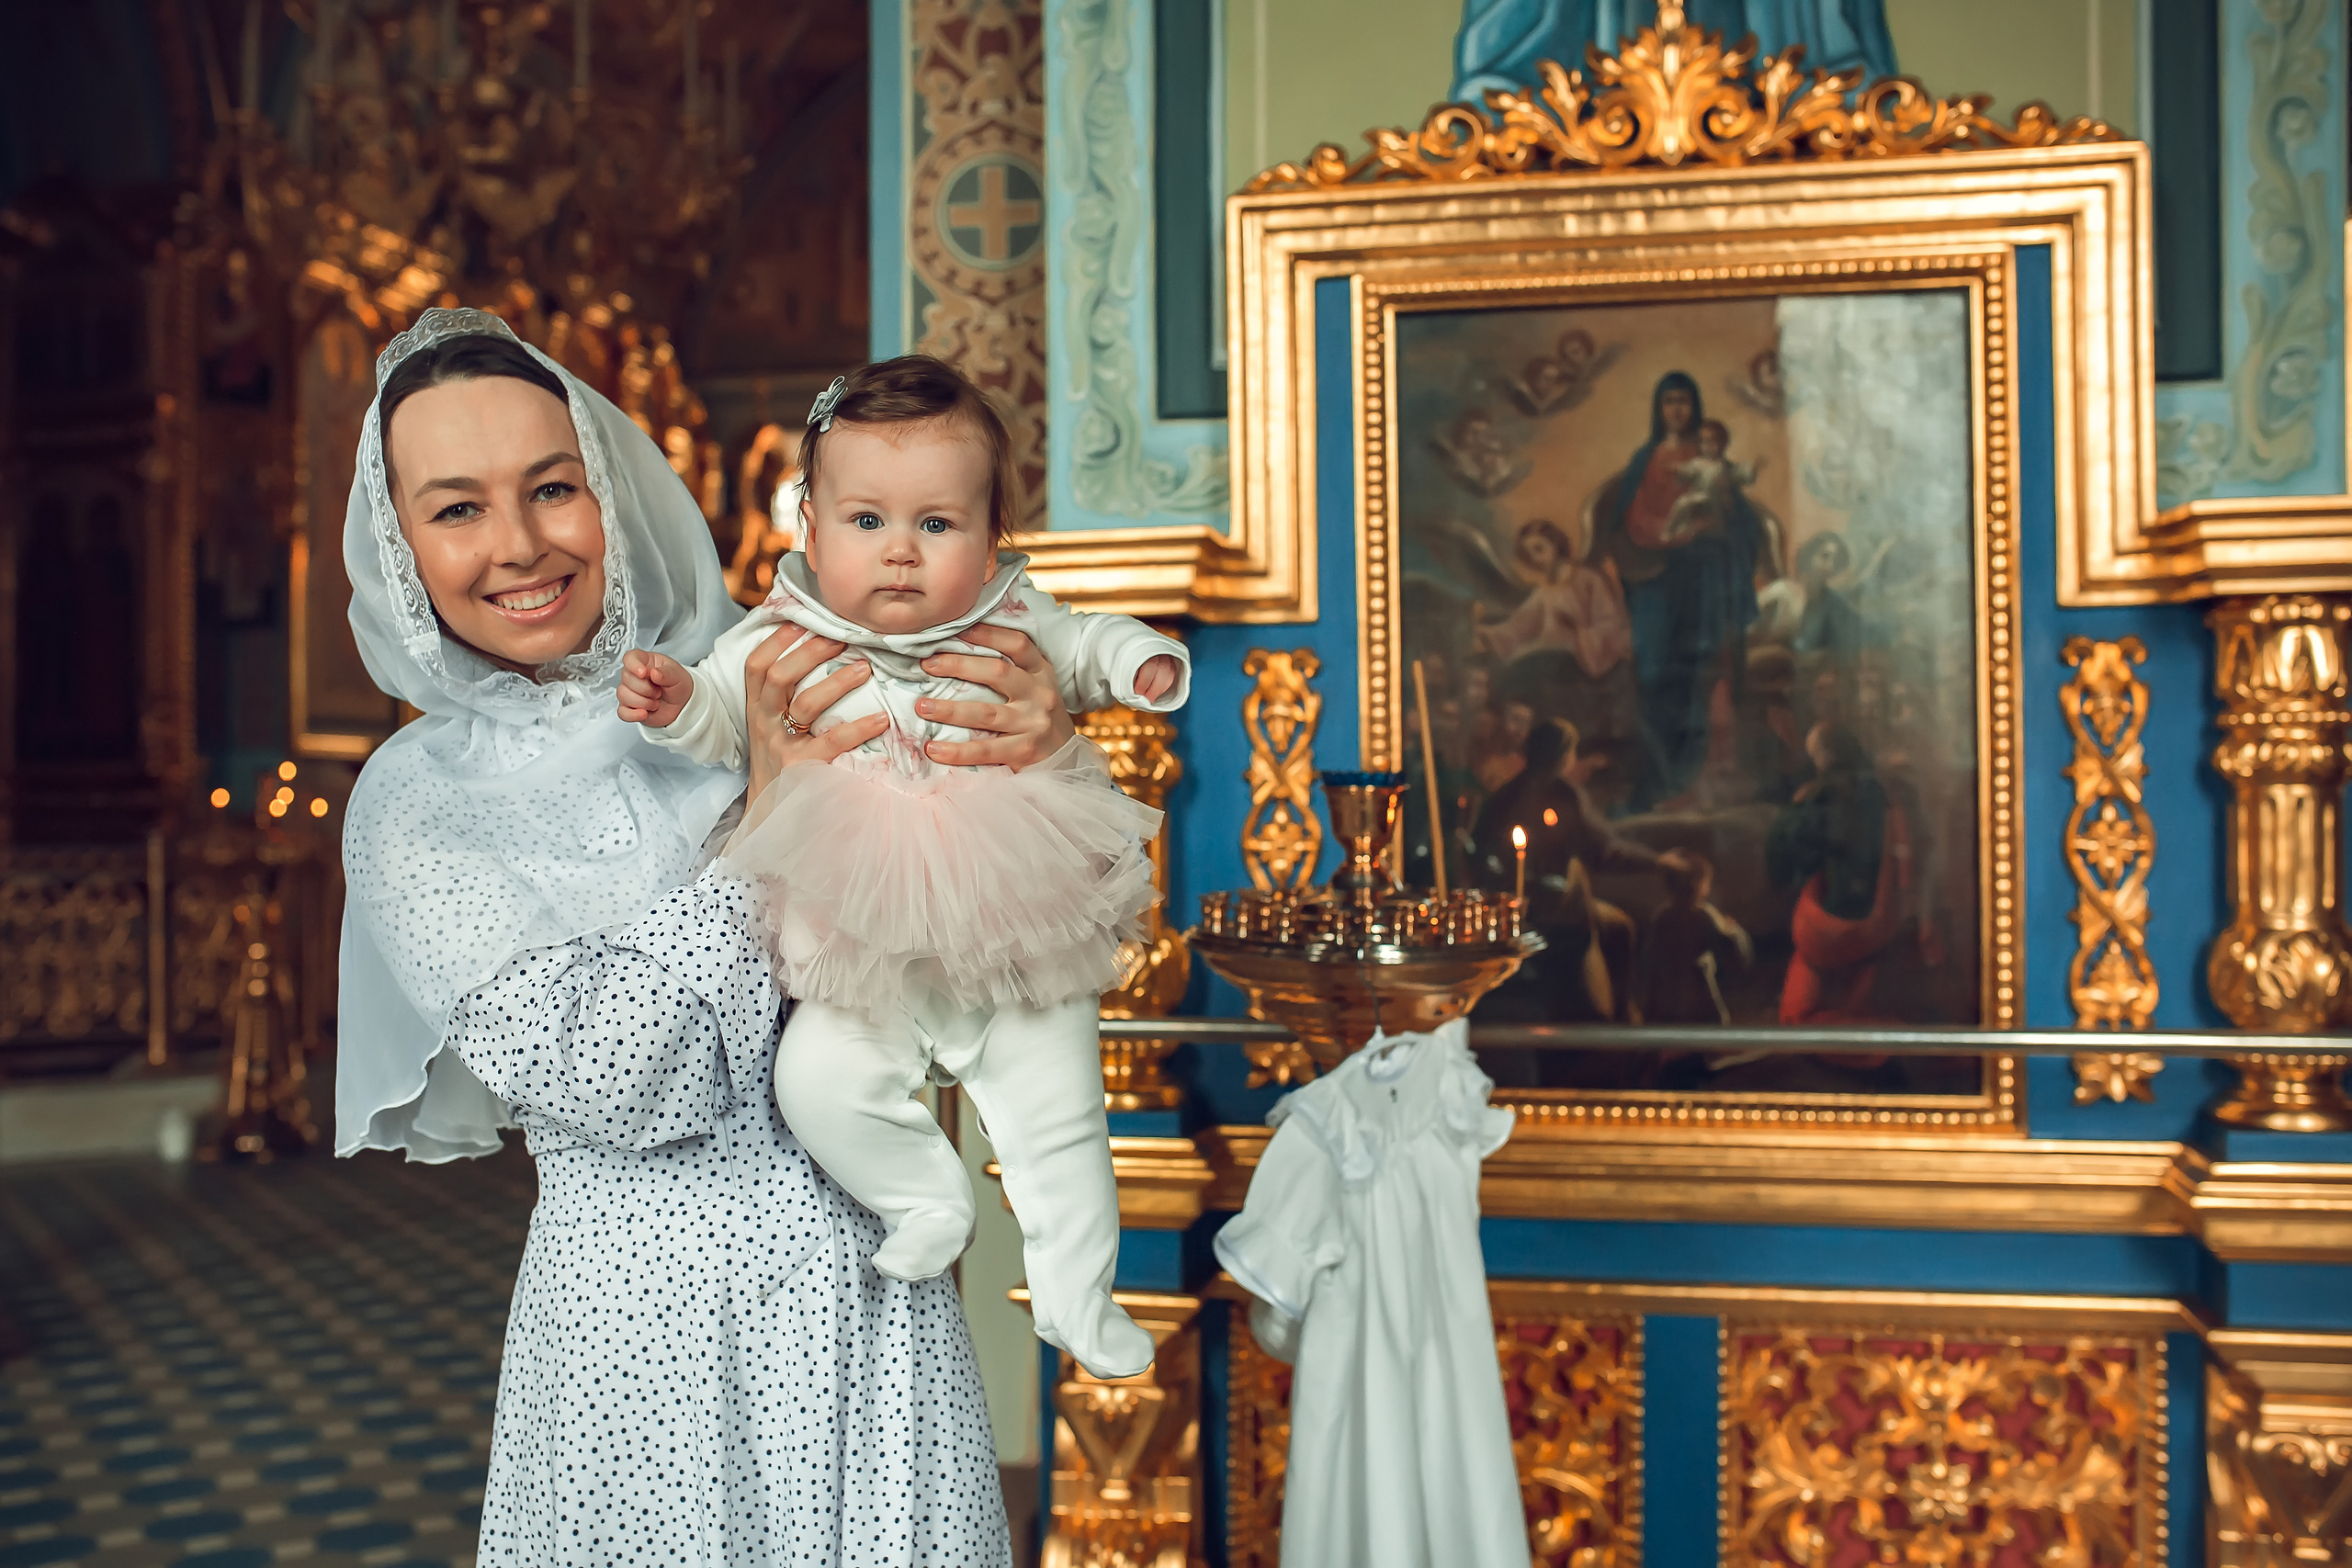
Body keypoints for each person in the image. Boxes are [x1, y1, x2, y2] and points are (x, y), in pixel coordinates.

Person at [336, 309, 1056, 1562]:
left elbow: (1001, 932)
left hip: (872, 1300)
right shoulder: (415, 802)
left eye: (552, 488)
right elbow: (629, 1078)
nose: (518, 545)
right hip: (644, 1350)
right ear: (400, 543)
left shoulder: (766, 672)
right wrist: (770, 810)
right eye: (456, 508)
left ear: (609, 489)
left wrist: (1028, 739)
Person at [620, 356, 1187, 1380]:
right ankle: (924, 1195)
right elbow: (719, 717)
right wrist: (674, 707)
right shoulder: (777, 635)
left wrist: (1137, 664)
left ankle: (1078, 1294)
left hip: (1011, 910)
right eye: (867, 521)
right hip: (861, 929)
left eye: (937, 525)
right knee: (818, 1080)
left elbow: (1086, 641)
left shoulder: (1014, 617)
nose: (900, 553)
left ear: (990, 539)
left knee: (1058, 1112)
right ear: (812, 529)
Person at [1587, 370, 1765, 802]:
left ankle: (1691, 776)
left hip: (1699, 577)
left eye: (1684, 401)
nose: (1677, 410)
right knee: (1650, 674)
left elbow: (1740, 522)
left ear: (1696, 408)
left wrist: (1717, 523)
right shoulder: (1644, 460)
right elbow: (1622, 523)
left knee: (1696, 673)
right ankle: (1656, 777)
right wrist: (1655, 540)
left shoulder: (1710, 457)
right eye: (1669, 401)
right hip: (1651, 580)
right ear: (1658, 408)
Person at [1766, 721, 1916, 1024]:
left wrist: (1797, 807)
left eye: (1817, 755)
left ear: (1827, 755)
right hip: (1889, 909)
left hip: (1844, 918)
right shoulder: (1887, 788)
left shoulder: (1826, 793)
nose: (1816, 762)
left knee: (1806, 911)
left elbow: (1787, 850)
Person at [1638, 852, 1752, 1024]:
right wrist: (1734, 931)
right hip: (1697, 991)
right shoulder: (1704, 916)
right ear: (1699, 884)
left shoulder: (1662, 915)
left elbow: (1650, 956)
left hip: (1665, 993)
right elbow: (1731, 953)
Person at [1661, 419, 1763, 547]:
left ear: (1722, 444)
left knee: (1715, 527)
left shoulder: (1725, 466)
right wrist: (1676, 470)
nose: (1707, 446)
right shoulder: (1698, 464)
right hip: (1699, 498)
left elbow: (1740, 473)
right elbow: (1686, 471)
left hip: (1716, 505)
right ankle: (1670, 530)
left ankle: (1708, 531)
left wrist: (1753, 467)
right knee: (1683, 503)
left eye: (1712, 441)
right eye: (1703, 442)